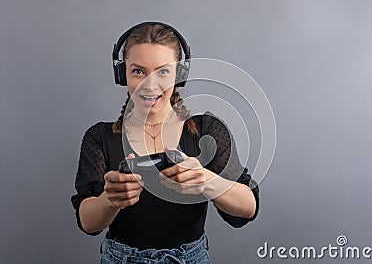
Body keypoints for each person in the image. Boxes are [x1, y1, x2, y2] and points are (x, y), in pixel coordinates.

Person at [71, 21, 260, 264]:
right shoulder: (99, 137)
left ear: (179, 75)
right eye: (138, 71)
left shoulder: (207, 130)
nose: (150, 85)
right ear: (122, 74)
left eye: (163, 71)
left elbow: (248, 207)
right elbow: (88, 223)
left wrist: (206, 181)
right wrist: (110, 199)